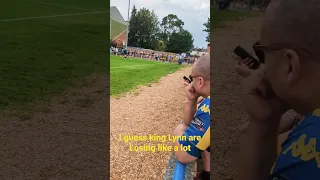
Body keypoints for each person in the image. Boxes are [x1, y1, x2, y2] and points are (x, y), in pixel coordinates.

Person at [237, 0, 320, 179]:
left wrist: (258, 126)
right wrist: (264, 122)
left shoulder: (308, 149)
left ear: (289, 65)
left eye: (262, 52)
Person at [172, 54, 211, 179]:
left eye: (191, 78)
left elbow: (183, 155)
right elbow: (190, 123)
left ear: (200, 81)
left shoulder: (209, 107)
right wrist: (191, 100)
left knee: (180, 129)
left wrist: (179, 130)